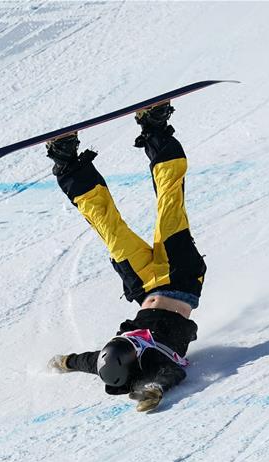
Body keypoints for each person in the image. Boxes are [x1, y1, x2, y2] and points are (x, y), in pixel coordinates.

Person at [46, 103, 205, 412]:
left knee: (108, 227)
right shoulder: (155, 362)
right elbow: (171, 374)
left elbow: (87, 361)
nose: (132, 340)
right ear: (135, 359)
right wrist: (155, 390)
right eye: (133, 346)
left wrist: (65, 362)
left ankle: (67, 163)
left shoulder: (109, 358)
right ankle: (155, 129)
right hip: (180, 277)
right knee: (170, 202)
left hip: (143, 284)